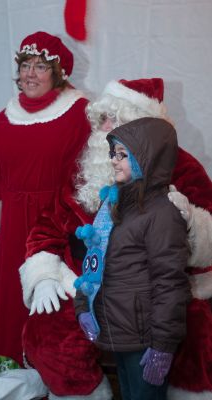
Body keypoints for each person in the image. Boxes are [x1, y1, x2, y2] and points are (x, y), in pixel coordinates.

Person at [0, 31, 112, 399]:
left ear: (56, 72)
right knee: (12, 301)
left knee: (52, 307)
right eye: (25, 65)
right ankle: (10, 377)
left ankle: (56, 376)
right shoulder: (5, 117)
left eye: (40, 66)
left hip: (56, 227)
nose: (30, 73)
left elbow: (90, 173)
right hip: (14, 226)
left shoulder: (78, 112)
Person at [75, 78, 212, 400]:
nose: (112, 160)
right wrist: (85, 307)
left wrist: (163, 346)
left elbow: (169, 282)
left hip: (145, 334)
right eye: (113, 153)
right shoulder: (116, 205)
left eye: (121, 154)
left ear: (144, 155)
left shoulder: (161, 211)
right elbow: (96, 262)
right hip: (119, 330)